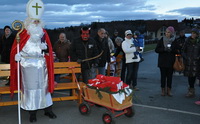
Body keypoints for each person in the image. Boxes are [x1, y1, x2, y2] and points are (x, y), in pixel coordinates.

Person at [10, 0, 56, 122]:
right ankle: (32, 112)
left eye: (38, 21)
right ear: (29, 22)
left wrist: (45, 49)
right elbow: (16, 48)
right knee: (31, 89)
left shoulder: (43, 33)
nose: (36, 23)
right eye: (34, 21)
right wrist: (17, 55)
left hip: (41, 64)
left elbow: (48, 48)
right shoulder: (23, 33)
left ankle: (48, 110)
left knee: (43, 88)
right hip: (28, 65)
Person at [155, 26, 176, 96]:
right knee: (163, 77)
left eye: (168, 32)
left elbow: (178, 50)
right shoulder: (161, 40)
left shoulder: (174, 40)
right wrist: (164, 49)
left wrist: (172, 50)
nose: (166, 33)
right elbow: (156, 49)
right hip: (162, 62)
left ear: (172, 33)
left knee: (170, 77)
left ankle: (169, 90)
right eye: (166, 32)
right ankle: (163, 90)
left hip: (171, 61)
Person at [182, 28, 200, 98]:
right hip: (188, 62)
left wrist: (198, 57)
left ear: (197, 34)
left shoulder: (199, 42)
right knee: (190, 77)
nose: (193, 34)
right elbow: (183, 50)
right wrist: (186, 57)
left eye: (194, 33)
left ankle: (192, 90)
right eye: (192, 33)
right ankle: (191, 90)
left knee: (194, 76)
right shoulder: (187, 41)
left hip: (196, 63)